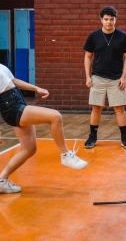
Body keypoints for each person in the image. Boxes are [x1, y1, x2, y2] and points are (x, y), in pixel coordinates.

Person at [0, 63, 87, 194]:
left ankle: (1, 181)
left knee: (29, 149)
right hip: (11, 108)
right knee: (55, 117)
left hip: (17, 101)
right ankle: (65, 155)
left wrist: (36, 88)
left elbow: (13, 80)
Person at [83, 6, 126, 149]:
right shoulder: (93, 36)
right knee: (96, 108)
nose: (109, 22)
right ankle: (92, 137)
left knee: (119, 109)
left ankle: (125, 138)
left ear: (115, 20)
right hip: (97, 78)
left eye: (112, 19)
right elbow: (87, 57)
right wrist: (88, 76)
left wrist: (124, 77)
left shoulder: (122, 37)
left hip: (116, 79)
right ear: (101, 20)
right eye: (106, 19)